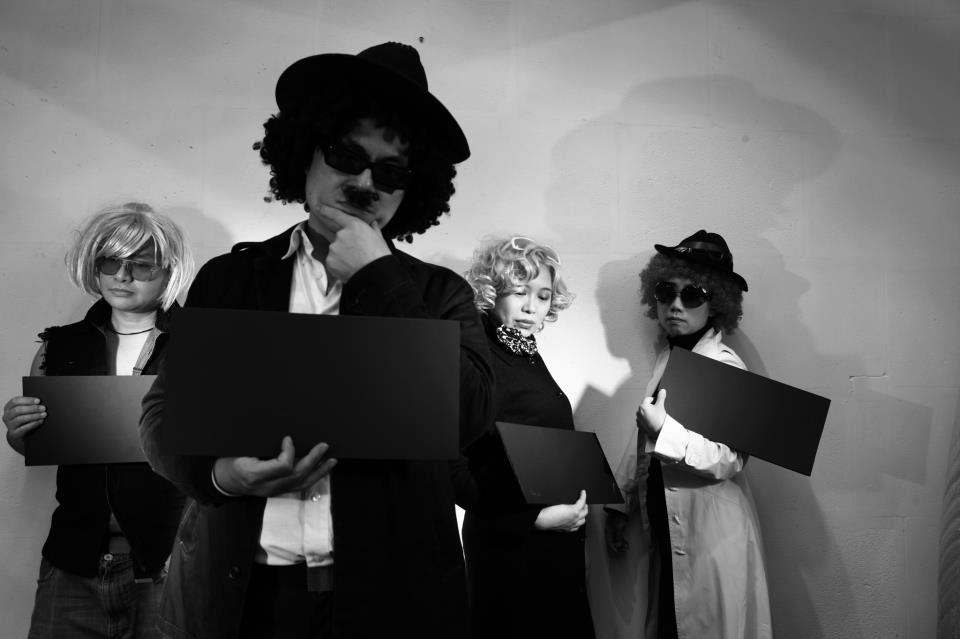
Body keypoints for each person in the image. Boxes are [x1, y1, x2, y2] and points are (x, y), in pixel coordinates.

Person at [138, 42, 495, 639]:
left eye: (391, 172)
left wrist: (380, 279)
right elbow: (162, 417)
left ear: (413, 191)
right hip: (243, 601)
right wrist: (222, 475)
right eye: (346, 156)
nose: (364, 183)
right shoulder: (232, 280)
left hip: (389, 607)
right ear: (303, 153)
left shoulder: (439, 296)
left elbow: (468, 418)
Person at [2, 202, 193, 639]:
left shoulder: (202, 346)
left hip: (169, 564)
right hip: (73, 564)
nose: (122, 276)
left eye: (141, 265)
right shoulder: (59, 346)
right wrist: (19, 430)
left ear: (169, 270)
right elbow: (40, 442)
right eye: (111, 262)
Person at [605, 230, 772, 639]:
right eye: (666, 292)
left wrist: (665, 431)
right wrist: (620, 504)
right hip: (669, 527)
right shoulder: (670, 356)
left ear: (717, 304)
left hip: (712, 533)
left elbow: (729, 459)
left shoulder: (726, 366)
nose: (675, 305)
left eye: (692, 294)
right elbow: (642, 436)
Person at [453, 236, 594, 639]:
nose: (532, 307)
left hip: (551, 543)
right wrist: (533, 519)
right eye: (519, 292)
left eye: (543, 296)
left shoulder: (522, 347)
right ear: (492, 291)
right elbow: (452, 466)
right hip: (512, 545)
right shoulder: (475, 356)